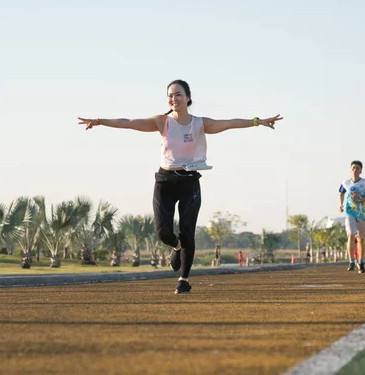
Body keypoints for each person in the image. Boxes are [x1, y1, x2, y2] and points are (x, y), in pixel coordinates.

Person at [78, 79, 282, 293]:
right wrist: (100, 121)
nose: (173, 98)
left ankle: (183, 280)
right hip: (165, 182)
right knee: (162, 232)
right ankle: (175, 246)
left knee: (188, 232)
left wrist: (258, 121)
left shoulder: (200, 123)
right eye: (170, 95)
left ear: (188, 98)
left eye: (178, 94)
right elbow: (128, 122)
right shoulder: (162, 122)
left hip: (189, 182)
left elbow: (229, 123)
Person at [339, 160, 365, 274]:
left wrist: (359, 199)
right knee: (350, 235)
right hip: (349, 212)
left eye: (357, 168)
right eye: (353, 168)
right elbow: (341, 193)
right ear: (350, 170)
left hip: (362, 214)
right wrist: (341, 204)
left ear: (361, 171)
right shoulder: (345, 183)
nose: (355, 170)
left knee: (361, 239)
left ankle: (360, 262)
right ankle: (351, 261)